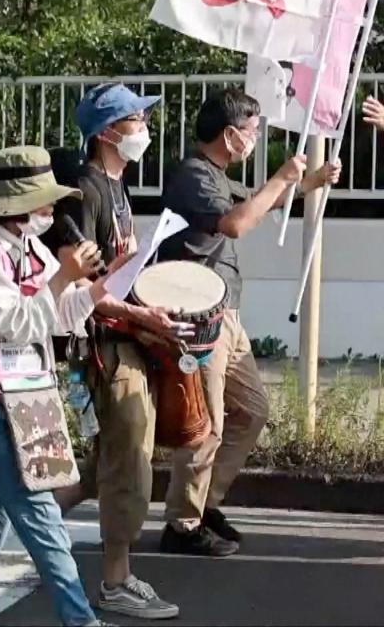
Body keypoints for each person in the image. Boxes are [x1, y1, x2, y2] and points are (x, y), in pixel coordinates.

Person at [0, 146, 126, 627]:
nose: (53, 212)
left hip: (31, 393)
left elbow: (62, 318)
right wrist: (64, 280)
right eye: (44, 203)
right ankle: (81, 621)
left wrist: (97, 285)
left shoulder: (30, 249)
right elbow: (15, 322)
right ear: (13, 206)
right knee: (40, 516)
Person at [158, 88, 340, 557]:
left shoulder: (215, 174)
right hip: (197, 314)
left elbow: (257, 202)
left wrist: (309, 182)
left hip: (227, 313)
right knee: (207, 425)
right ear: (230, 134)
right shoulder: (192, 176)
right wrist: (282, 177)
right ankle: (181, 523)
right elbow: (237, 222)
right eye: (254, 132)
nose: (256, 140)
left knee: (252, 410)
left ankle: (205, 503)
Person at [68, 84, 185, 619]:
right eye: (135, 119)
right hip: (107, 348)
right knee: (128, 463)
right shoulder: (86, 191)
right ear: (107, 132)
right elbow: (83, 292)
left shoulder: (117, 186)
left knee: (108, 464)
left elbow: (117, 274)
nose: (144, 127)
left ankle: (12, 516)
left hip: (125, 340)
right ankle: (115, 582)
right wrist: (141, 315)